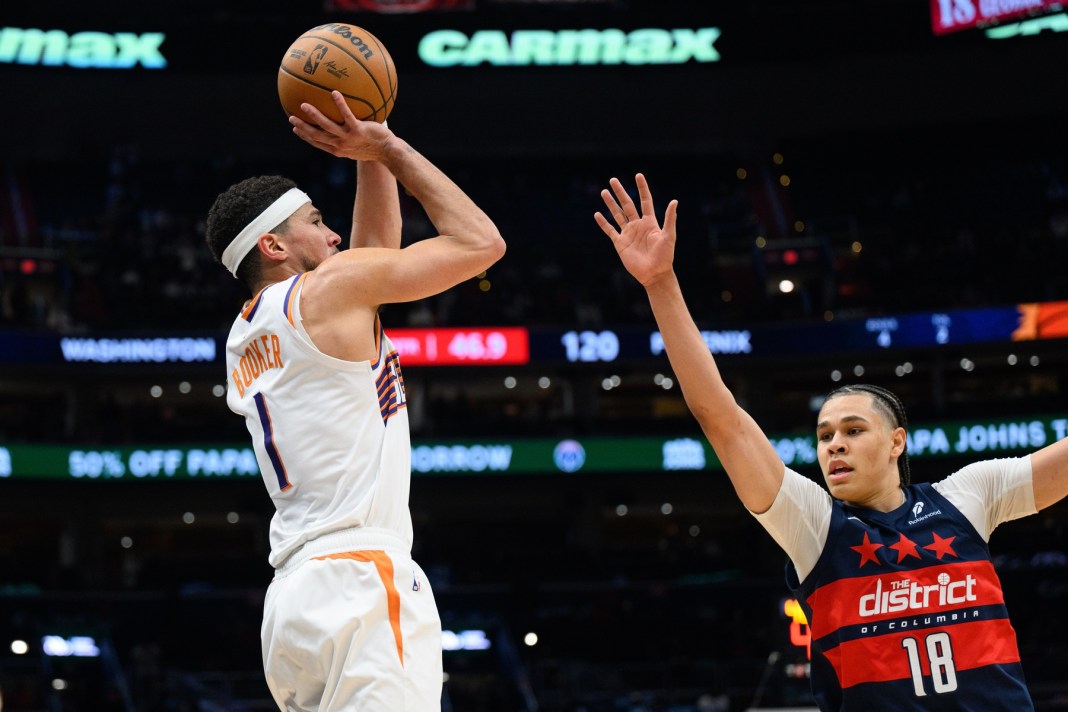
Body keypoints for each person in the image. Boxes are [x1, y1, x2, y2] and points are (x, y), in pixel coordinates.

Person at [594, 173, 1068, 711]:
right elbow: (722, 419)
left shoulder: (967, 496)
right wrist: (661, 284)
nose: (833, 445)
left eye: (853, 430)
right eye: (824, 436)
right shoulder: (816, 526)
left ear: (897, 443)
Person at [205, 91, 505, 711]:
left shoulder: (245, 333)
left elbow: (375, 262)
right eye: (315, 221)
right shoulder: (326, 293)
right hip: (361, 578)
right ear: (274, 246)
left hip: (294, 601)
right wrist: (391, 149)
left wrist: (371, 152)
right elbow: (481, 243)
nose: (333, 231)